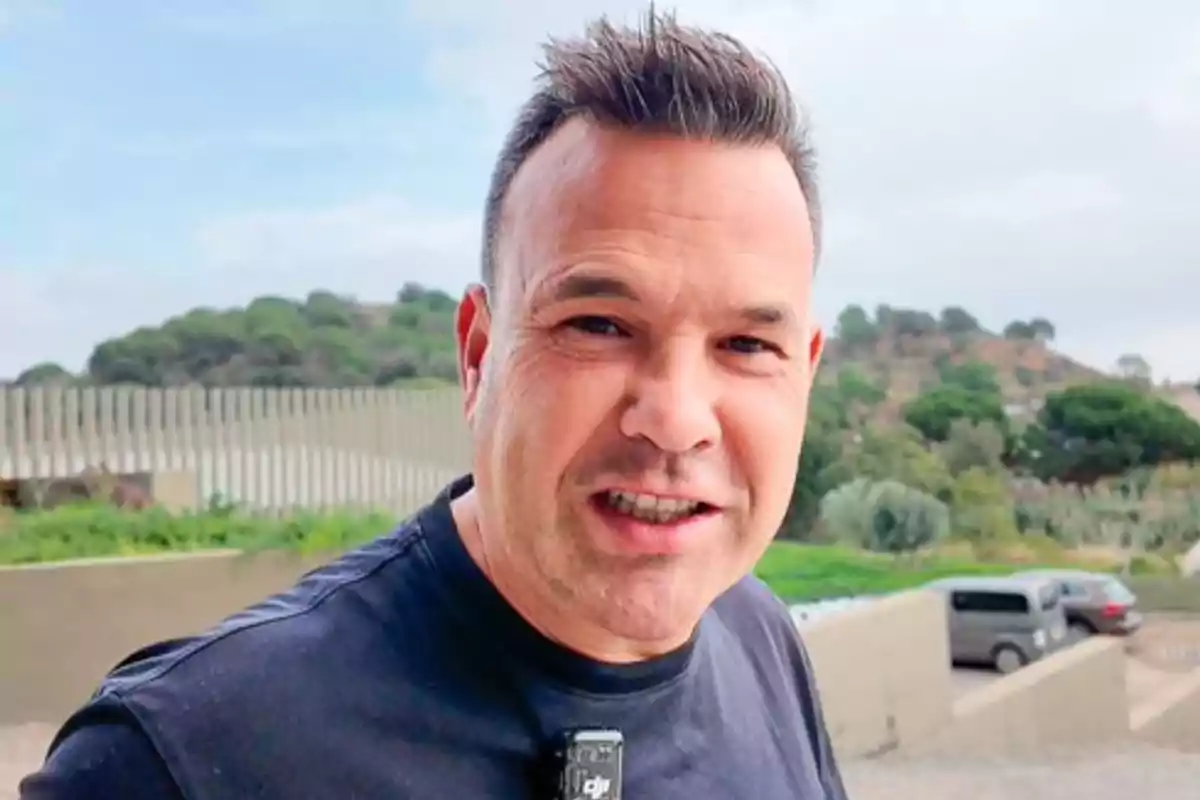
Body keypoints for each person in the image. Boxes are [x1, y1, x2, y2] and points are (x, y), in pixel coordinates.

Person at [20, 10, 847, 799]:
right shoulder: (173, 761)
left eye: (746, 345)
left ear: (804, 372)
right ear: (479, 356)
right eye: (598, 324)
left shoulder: (759, 640)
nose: (674, 418)